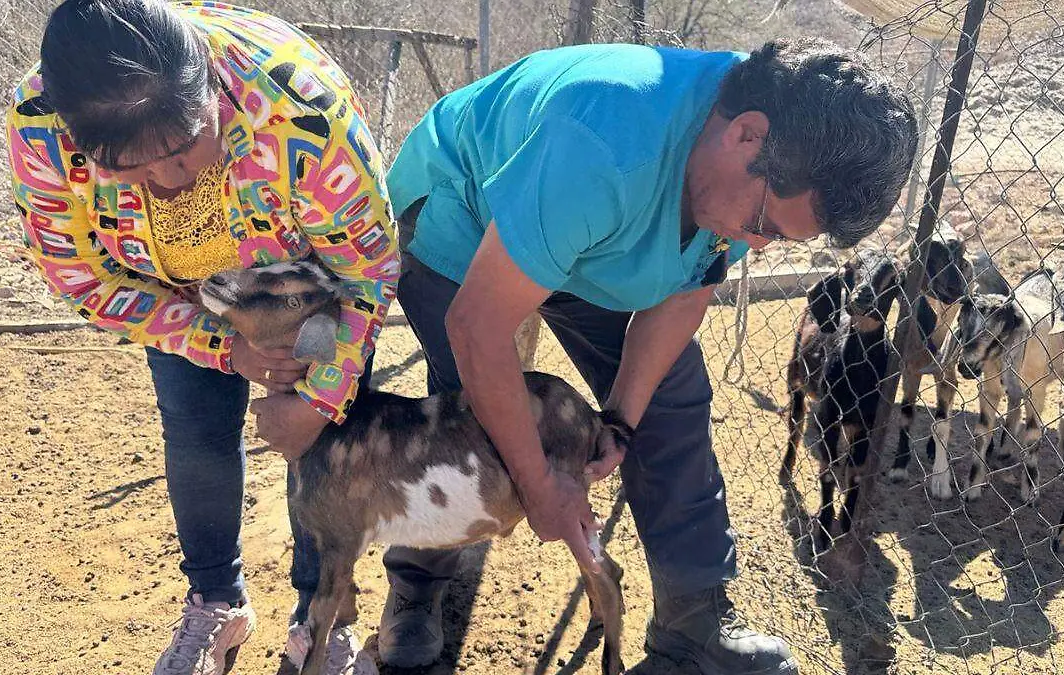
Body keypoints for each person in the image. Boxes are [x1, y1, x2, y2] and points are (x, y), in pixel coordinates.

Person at [378, 38, 918, 675]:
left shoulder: (763, 160)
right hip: (464, 220)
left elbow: (687, 289)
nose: (760, 246)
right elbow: (478, 329)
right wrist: (539, 484)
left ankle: (694, 624)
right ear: (746, 137)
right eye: (766, 227)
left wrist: (622, 421)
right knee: (465, 423)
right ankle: (415, 593)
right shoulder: (605, 138)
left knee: (673, 393)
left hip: (589, 235)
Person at [5, 1, 398, 673]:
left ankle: (322, 614)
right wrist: (221, 346)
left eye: (186, 151)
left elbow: (367, 267)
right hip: (167, 285)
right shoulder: (41, 121)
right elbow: (78, 277)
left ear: (213, 90)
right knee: (193, 425)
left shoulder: (303, 104)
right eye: (130, 171)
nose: (169, 183)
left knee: (321, 441)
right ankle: (217, 602)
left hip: (297, 278)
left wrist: (321, 399)